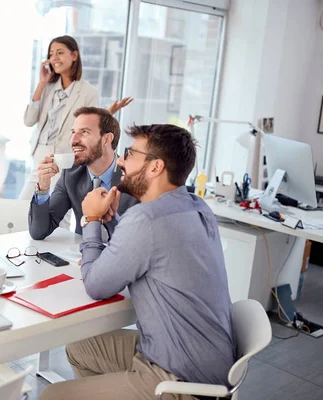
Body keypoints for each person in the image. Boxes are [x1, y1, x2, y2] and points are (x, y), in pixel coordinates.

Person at [40, 124, 236, 400]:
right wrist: (112, 221)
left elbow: (96, 285)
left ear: (155, 167)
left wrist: (93, 220)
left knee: (52, 395)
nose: (120, 160)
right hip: (204, 359)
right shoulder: (196, 205)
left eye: (130, 154)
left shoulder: (146, 219)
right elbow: (152, 248)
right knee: (80, 347)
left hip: (181, 379)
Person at [20, 35, 132, 200]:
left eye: (60, 53)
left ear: (74, 55)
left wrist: (109, 112)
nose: (54, 58)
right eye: (51, 54)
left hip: (66, 156)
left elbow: (92, 124)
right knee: (24, 204)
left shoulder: (88, 92)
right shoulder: (47, 88)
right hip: (41, 155)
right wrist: (41, 83)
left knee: (58, 208)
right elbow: (29, 121)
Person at [28, 107, 138, 239]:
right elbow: (39, 232)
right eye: (73, 132)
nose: (73, 141)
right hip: (82, 255)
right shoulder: (70, 174)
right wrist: (43, 187)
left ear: (107, 139)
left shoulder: (134, 177)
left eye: (84, 132)